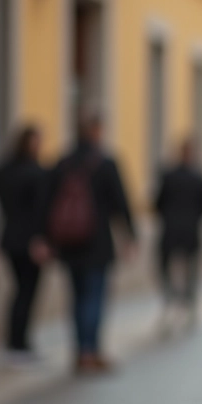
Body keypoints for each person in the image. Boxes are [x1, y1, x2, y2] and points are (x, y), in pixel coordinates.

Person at [41, 115, 136, 374]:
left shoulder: (62, 162)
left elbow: (47, 204)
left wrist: (46, 238)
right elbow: (121, 202)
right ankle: (90, 351)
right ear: (96, 132)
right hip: (97, 243)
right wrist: (130, 236)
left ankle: (80, 349)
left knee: (77, 296)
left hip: (69, 244)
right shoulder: (105, 163)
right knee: (94, 296)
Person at [0, 126, 50, 363]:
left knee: (18, 291)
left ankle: (15, 340)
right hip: (30, 240)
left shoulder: (3, 171)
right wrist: (41, 239)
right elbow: (40, 210)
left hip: (10, 237)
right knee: (27, 291)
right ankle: (19, 341)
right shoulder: (36, 173)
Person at [154, 138, 202, 331]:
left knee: (172, 270)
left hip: (171, 230)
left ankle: (174, 302)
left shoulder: (169, 176)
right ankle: (185, 303)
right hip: (189, 231)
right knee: (188, 271)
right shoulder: (197, 177)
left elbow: (158, 203)